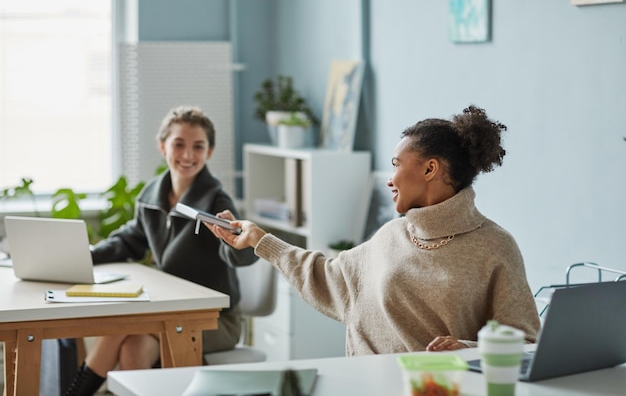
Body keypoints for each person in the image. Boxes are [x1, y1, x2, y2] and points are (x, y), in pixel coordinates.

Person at [212, 105, 541, 356]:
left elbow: (525, 341)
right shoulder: (391, 236)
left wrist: (466, 350)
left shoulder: (496, 246)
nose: (389, 178)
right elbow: (328, 276)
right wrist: (260, 240)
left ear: (430, 168)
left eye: (397, 164)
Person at [64, 106, 257, 396]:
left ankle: (76, 393)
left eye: (198, 146)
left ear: (210, 152)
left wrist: (236, 239)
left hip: (214, 319)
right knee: (133, 345)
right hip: (169, 312)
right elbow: (129, 240)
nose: (188, 155)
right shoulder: (151, 196)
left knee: (121, 328)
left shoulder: (216, 200)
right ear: (162, 145)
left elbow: (243, 255)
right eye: (179, 144)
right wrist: (81, 257)